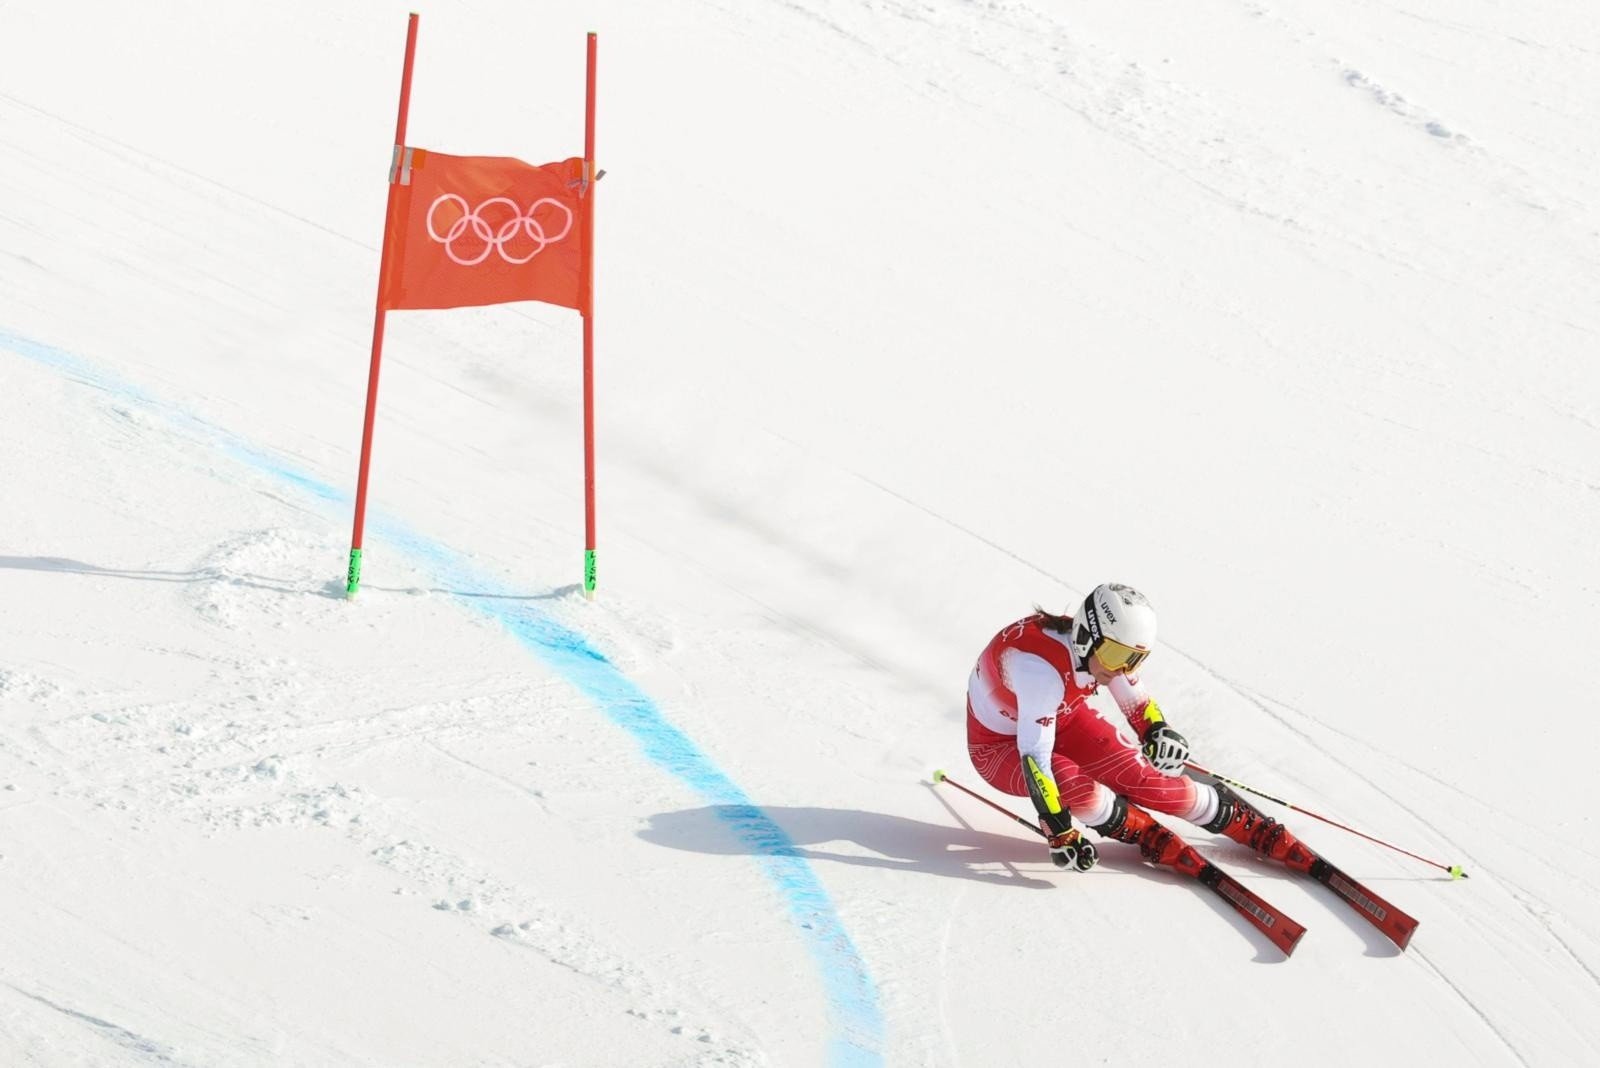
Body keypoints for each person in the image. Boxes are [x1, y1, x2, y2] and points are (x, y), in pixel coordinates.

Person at [965, 582, 1305, 871]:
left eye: (1134, 659)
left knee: (1143, 779)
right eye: (1115, 657)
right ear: (1087, 635)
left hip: (1063, 718)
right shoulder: (1038, 674)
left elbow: (1137, 702)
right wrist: (1059, 830)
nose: (1120, 669)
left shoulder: (1099, 651)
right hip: (998, 747)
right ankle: (1141, 832)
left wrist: (1156, 731)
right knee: (1071, 782)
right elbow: (1035, 761)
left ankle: (1237, 822)